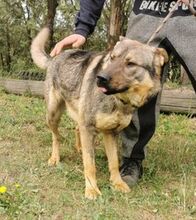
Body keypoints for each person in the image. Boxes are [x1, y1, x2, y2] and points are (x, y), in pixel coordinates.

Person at [50, 0, 196, 187]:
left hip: (191, 15)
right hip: (147, 11)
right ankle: (132, 159)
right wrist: (82, 27)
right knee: (130, 77)